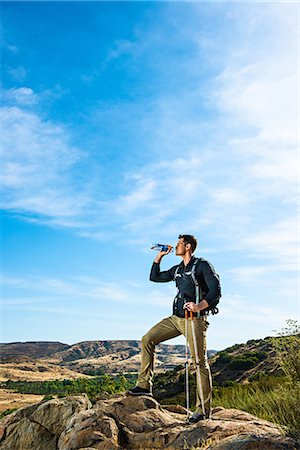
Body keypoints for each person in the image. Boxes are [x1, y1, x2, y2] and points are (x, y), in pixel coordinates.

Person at [127, 234, 221, 424]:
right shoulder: (178, 269)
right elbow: (154, 277)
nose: (175, 246)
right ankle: (144, 385)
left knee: (199, 363)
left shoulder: (202, 265)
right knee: (148, 339)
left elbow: (216, 290)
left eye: (178, 244)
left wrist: (199, 306)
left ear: (187, 247)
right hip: (175, 319)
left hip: (194, 320)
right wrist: (160, 256)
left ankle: (203, 411)